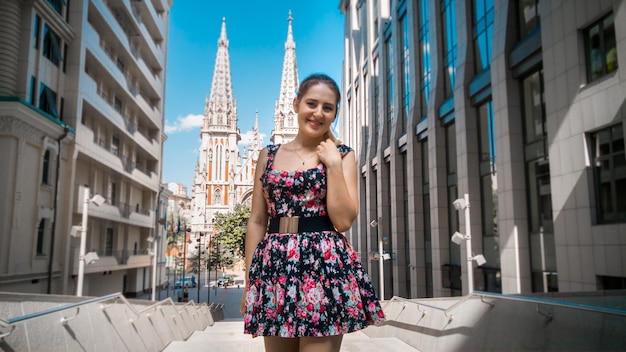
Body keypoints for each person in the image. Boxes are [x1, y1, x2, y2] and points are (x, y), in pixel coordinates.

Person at [240, 73, 385, 352]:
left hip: (324, 266)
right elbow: (258, 220)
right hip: (274, 268)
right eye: (311, 103)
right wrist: (251, 283)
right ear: (295, 104)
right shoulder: (266, 155)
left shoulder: (343, 155)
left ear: (334, 114)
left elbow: (343, 221)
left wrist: (332, 164)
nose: (318, 113)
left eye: (327, 107)